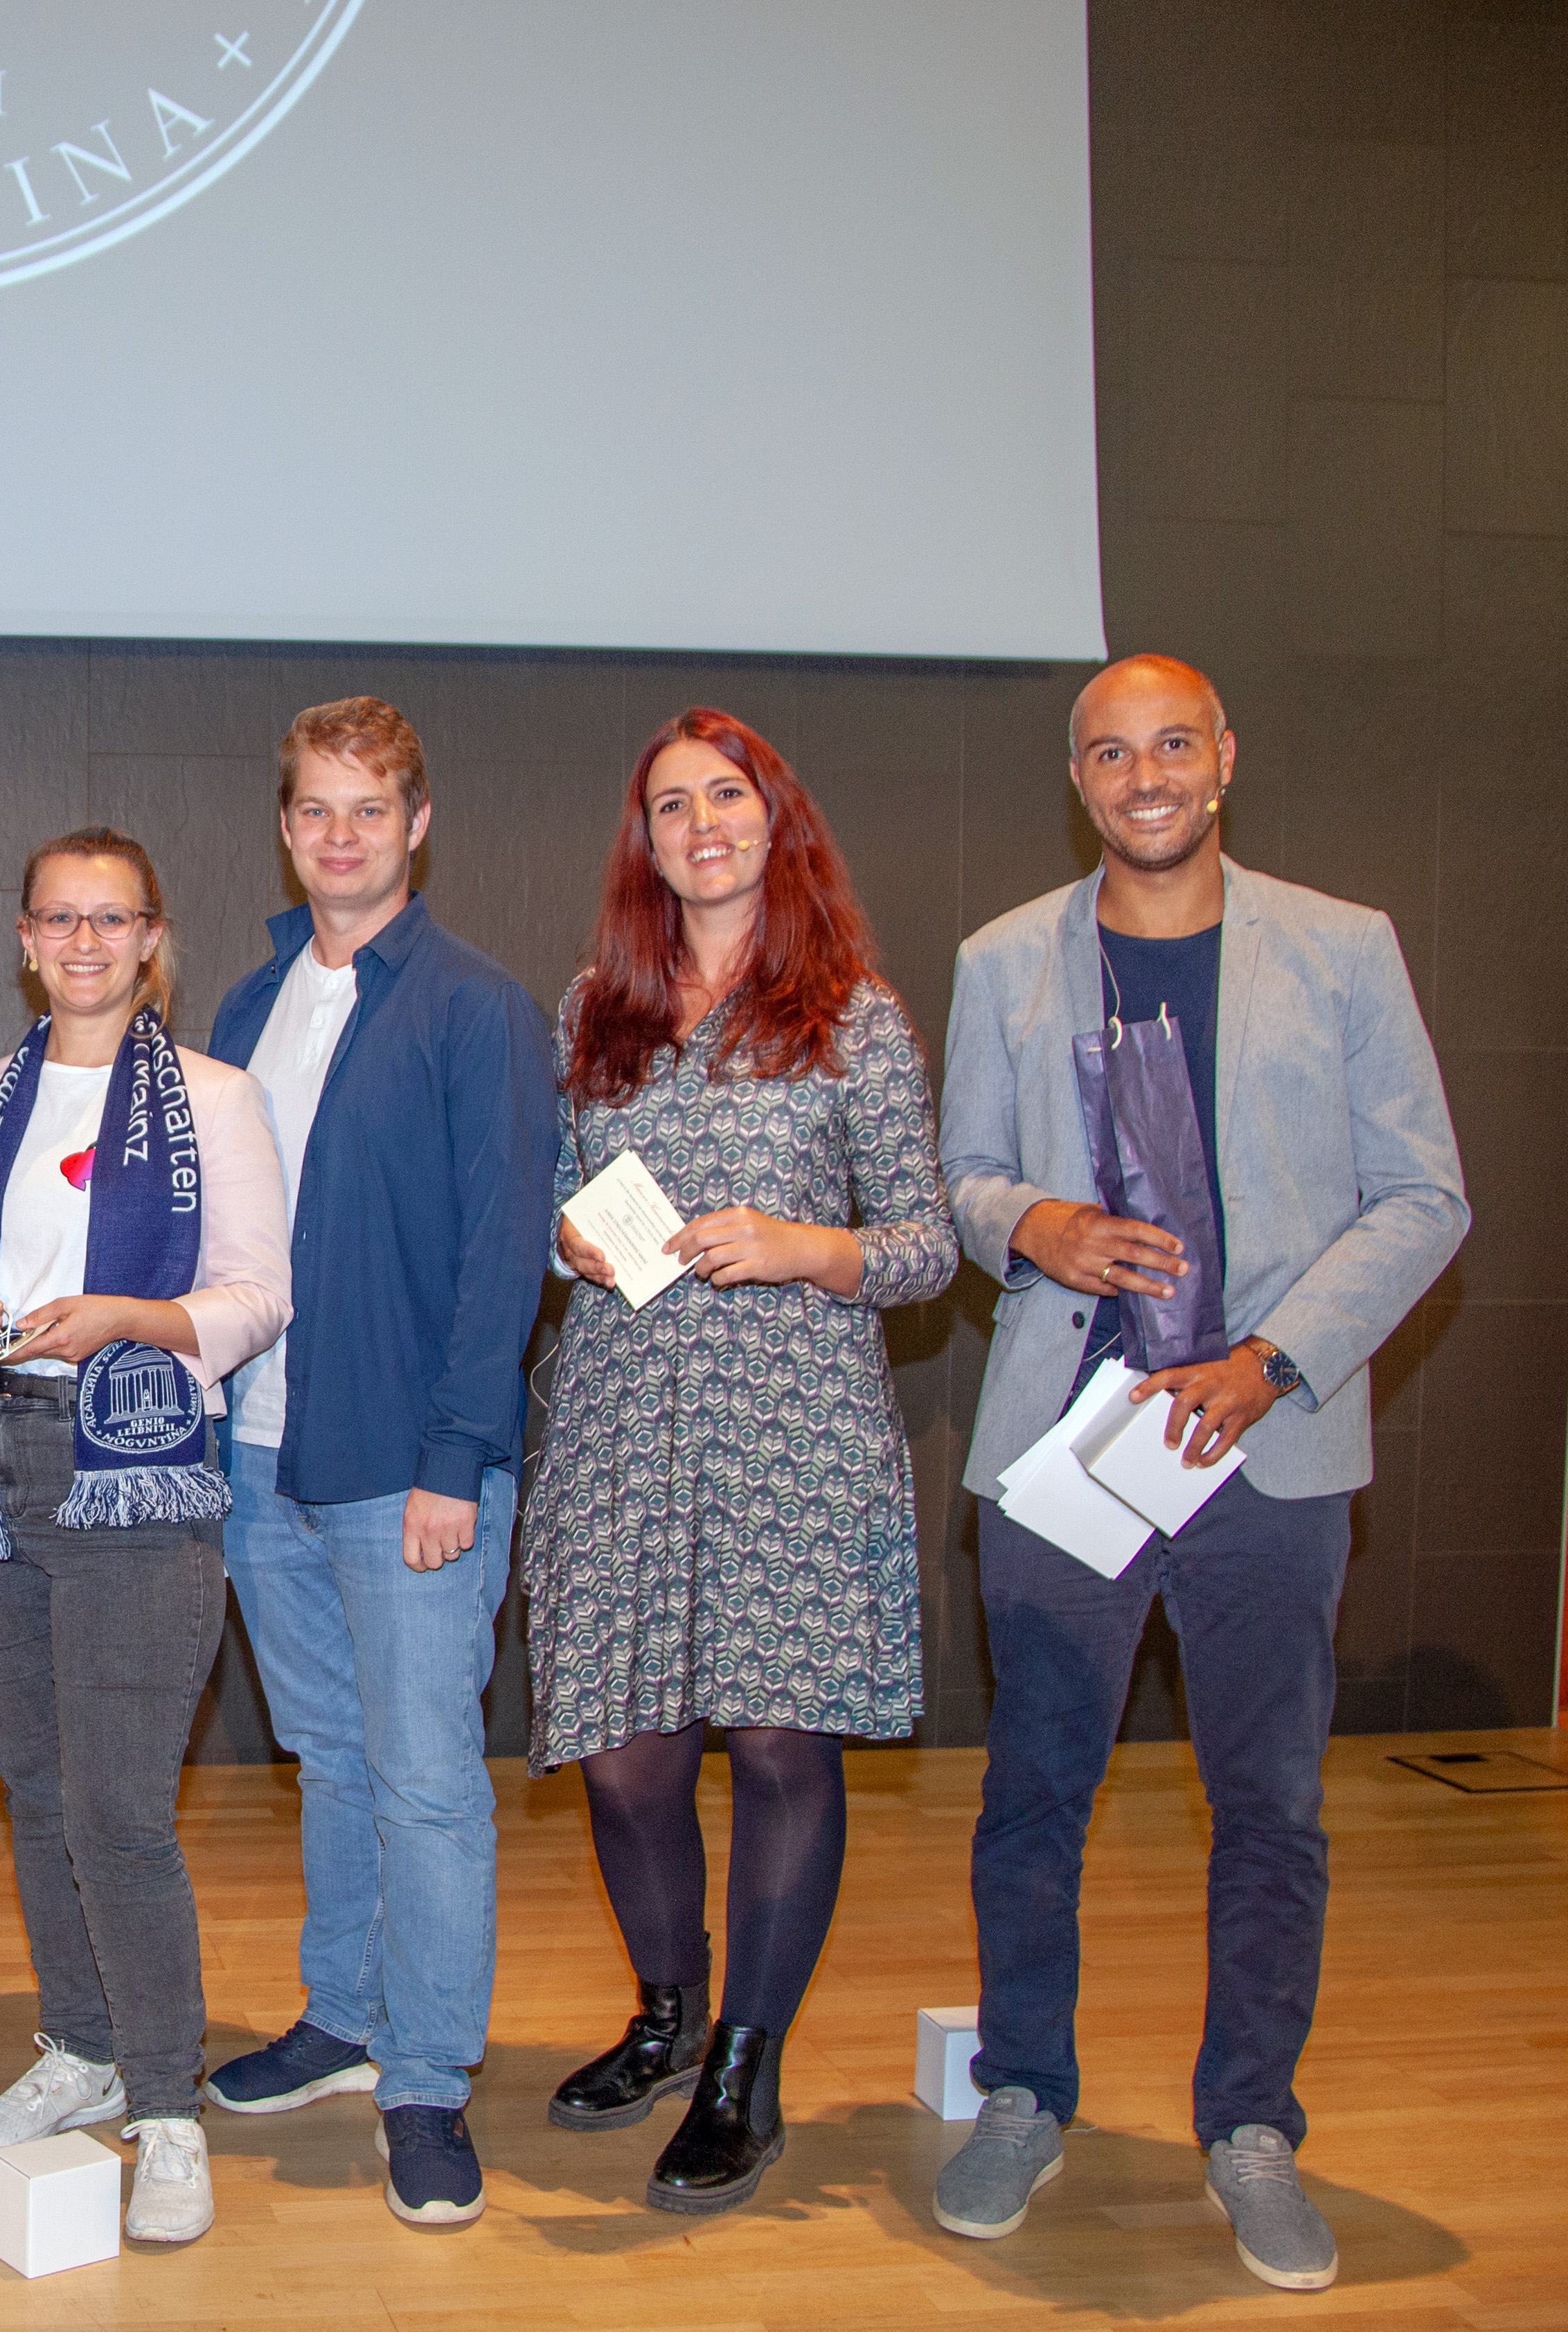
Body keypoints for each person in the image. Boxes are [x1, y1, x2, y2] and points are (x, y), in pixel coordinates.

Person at [933, 655, 1465, 2293]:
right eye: (1112, 751)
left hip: (1268, 1447)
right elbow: (958, 1174)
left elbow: (1424, 1196)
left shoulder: (1344, 947)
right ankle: (1024, 2092)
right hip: (1068, 1446)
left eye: (1173, 743)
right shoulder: (1005, 959)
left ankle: (1251, 2125)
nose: (1144, 773)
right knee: (1034, 1797)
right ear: (1076, 776)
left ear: (1224, 758)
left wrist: (1269, 1361)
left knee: (1271, 1807)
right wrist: (1034, 1223)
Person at [524, 709, 957, 2213]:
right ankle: (666, 2013)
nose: (700, 823)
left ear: (777, 818)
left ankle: (744, 2070)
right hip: (622, 1419)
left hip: (797, 1429)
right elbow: (553, 1203)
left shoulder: (856, 1013)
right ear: (641, 842)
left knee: (781, 1743)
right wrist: (568, 1237)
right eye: (668, 805)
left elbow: (925, 1244)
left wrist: (802, 1246)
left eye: (727, 796)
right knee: (628, 1754)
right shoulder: (597, 1005)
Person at [0, 828, 289, 2246]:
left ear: (149, 938)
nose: (81, 941)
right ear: (23, 936)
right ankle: (81, 2044)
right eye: (57, 917)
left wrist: (132, 1320)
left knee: (124, 1811)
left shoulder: (217, 1097)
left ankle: (170, 2104)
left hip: (135, 1467)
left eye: (108, 918)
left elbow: (256, 1296)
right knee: (44, 1791)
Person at [197, 697, 561, 2228]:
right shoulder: (241, 1007)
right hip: (260, 1458)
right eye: (314, 810)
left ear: (417, 824)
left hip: (408, 1467)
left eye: (370, 809)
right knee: (331, 1763)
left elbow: (504, 1255)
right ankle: (344, 2018)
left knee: (426, 1785)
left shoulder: (477, 1007)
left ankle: (427, 2080)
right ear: (285, 829)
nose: (339, 835)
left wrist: (455, 1459)